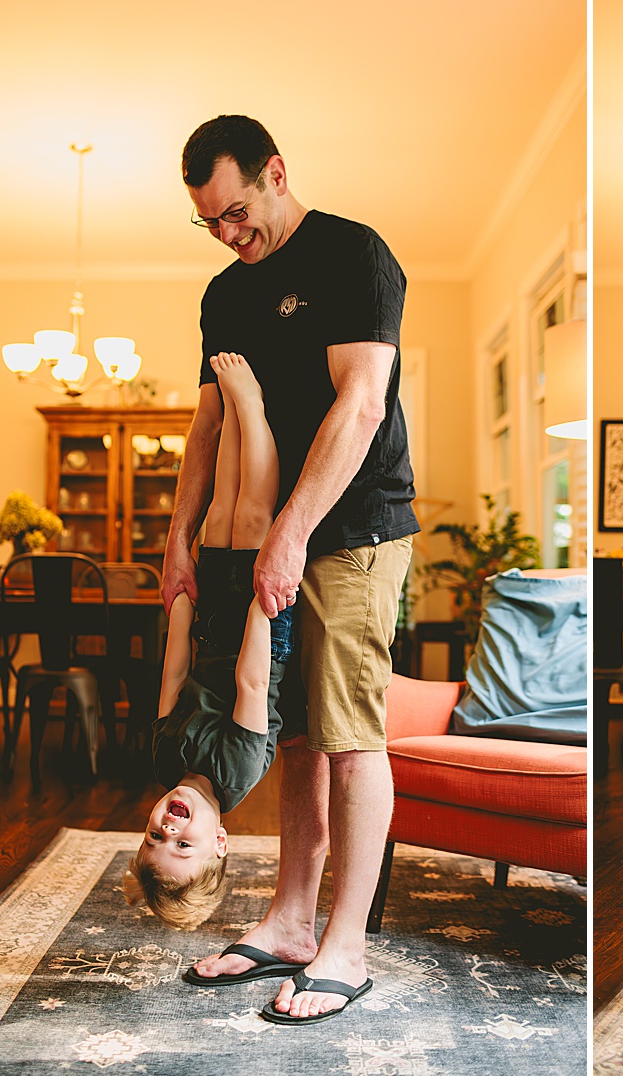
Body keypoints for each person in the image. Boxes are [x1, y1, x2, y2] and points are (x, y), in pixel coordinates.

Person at [161, 115, 418, 1025]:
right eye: (211, 224)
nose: (230, 236)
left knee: (348, 734)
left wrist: (291, 532)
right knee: (296, 733)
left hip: (353, 530)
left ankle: (346, 942)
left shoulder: (355, 256)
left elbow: (360, 405)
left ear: (275, 173)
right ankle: (291, 921)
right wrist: (180, 533)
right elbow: (206, 429)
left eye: (236, 212)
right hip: (266, 537)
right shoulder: (223, 296)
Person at [124, 352, 294, 931]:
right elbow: (251, 682)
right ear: (220, 841)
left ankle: (225, 421)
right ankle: (252, 404)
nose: (169, 830)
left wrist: (180, 605)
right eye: (183, 846)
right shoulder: (237, 770)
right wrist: (259, 601)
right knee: (251, 518)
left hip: (213, 625)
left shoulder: (164, 758)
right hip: (260, 630)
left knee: (220, 513)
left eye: (154, 838)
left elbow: (173, 677)